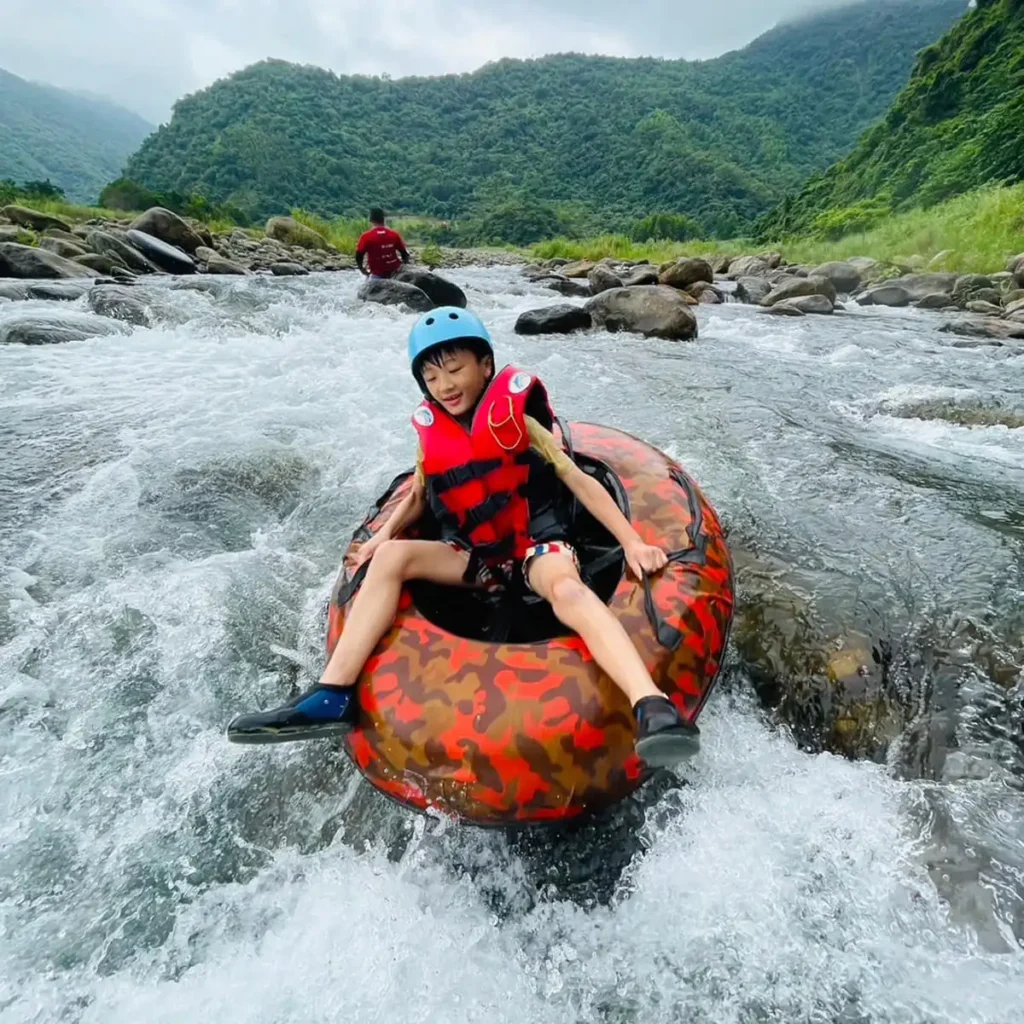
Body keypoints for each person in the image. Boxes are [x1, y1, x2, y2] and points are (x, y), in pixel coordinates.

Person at [227, 308, 700, 766]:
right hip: (476, 558)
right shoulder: (432, 431)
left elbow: (579, 481)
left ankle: (651, 706)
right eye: (432, 378)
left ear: (485, 365)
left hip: (536, 548)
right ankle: (332, 694)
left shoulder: (520, 421)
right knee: (391, 557)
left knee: (567, 590)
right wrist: (380, 537)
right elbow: (417, 496)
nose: (445, 386)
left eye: (454, 370)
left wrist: (632, 541)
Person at [355, 207, 409, 279]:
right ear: (384, 219)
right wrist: (403, 267)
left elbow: (359, 255)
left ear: (370, 219)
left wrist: (361, 269)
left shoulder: (366, 236)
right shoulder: (394, 234)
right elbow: (404, 254)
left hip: (377, 275)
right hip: (395, 273)